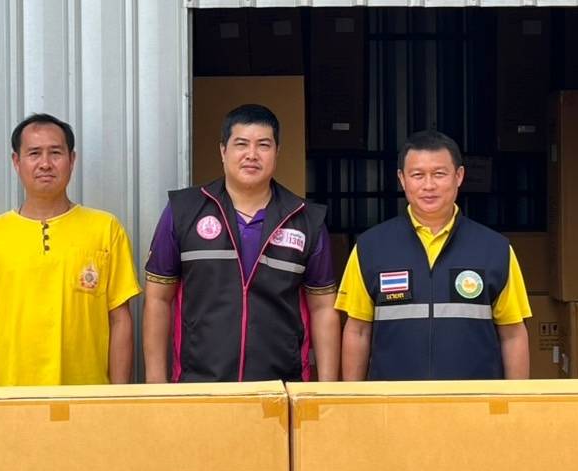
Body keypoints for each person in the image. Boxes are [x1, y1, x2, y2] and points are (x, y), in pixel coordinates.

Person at [142, 104, 340, 383]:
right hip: (199, 385)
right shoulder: (183, 211)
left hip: (281, 387)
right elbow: (157, 299)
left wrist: (325, 390)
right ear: (223, 151)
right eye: (241, 144)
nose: (252, 154)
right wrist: (156, 384)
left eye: (263, 145)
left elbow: (323, 309)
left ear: (277, 152)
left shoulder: (306, 219)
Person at [0, 113, 141, 386]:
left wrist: (115, 398)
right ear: (17, 162)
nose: (45, 164)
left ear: (72, 160)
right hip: (10, 399)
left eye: (56, 153)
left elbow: (119, 320)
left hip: (86, 397)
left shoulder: (105, 229)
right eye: (34, 153)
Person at [337, 130, 531, 381]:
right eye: (417, 175)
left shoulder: (495, 249)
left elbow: (513, 334)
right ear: (402, 179)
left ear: (459, 176)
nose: (428, 185)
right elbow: (358, 331)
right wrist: (353, 398)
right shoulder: (370, 247)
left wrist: (516, 400)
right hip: (394, 401)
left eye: (439, 174)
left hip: (474, 400)